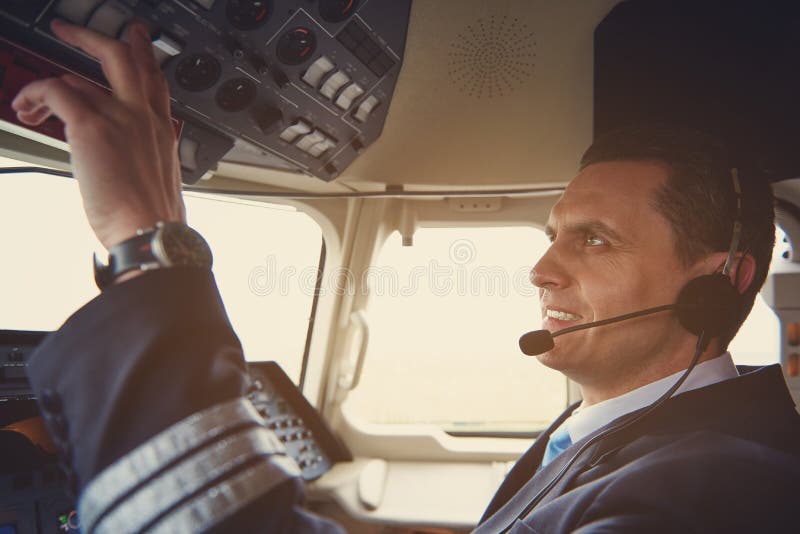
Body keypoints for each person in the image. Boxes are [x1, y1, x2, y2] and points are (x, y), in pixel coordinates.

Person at [12, 19, 800, 534]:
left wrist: (148, 244)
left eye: (594, 241)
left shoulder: (718, 488)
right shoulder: (631, 432)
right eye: (554, 234)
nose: (541, 270)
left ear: (718, 283)